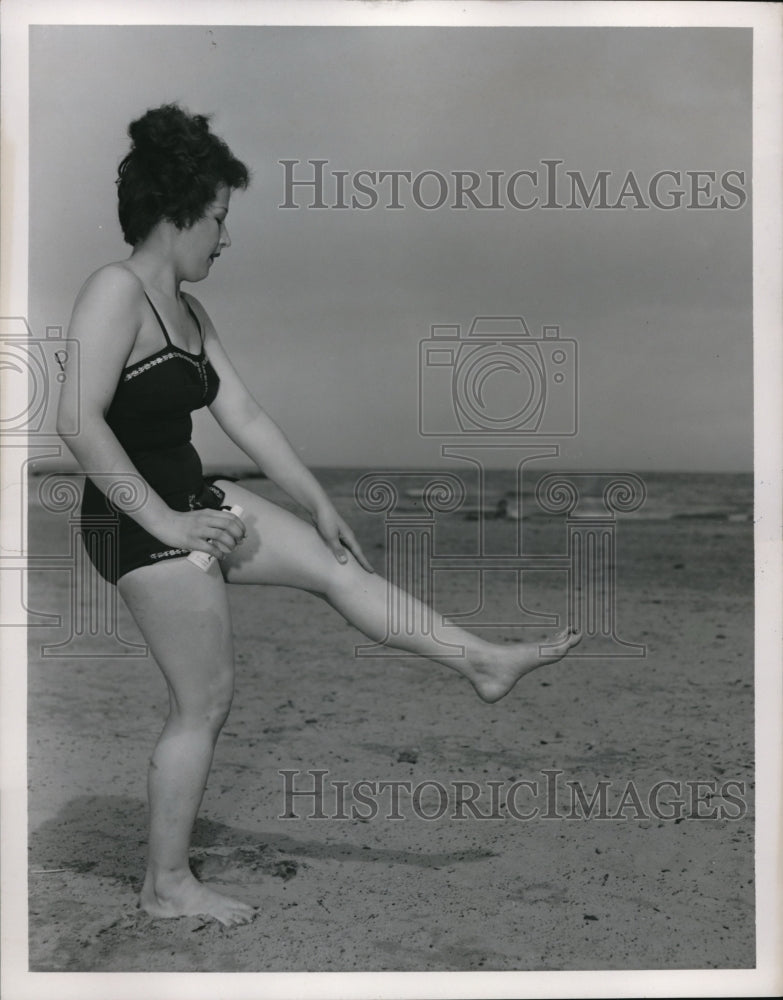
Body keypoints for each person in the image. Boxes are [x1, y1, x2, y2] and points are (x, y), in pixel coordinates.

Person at [56, 104, 581, 927]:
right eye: (220, 219)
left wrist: (316, 500)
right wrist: (169, 527)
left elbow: (249, 418)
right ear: (179, 209)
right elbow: (76, 421)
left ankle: (480, 660)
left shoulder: (191, 315)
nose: (225, 240)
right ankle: (165, 887)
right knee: (205, 700)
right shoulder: (112, 291)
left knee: (338, 566)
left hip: (193, 502)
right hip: (132, 518)